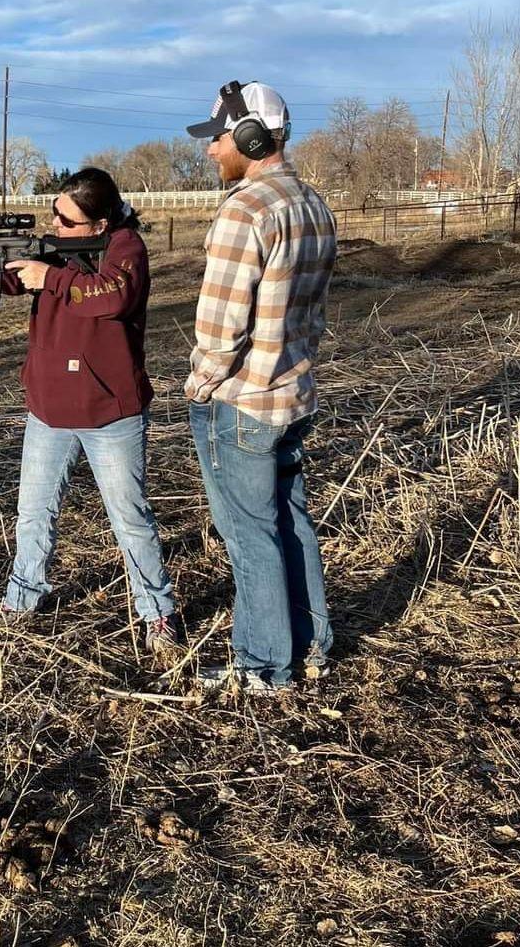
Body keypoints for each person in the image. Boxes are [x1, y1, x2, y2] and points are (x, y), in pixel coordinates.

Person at [0, 168, 179, 652]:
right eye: (54, 214)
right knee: (33, 514)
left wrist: (50, 276)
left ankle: (157, 613)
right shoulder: (51, 248)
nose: (54, 225)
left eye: (66, 221)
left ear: (100, 225)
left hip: (110, 412)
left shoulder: (125, 247)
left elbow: (113, 296)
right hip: (49, 408)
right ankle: (22, 599)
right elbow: (2, 282)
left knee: (130, 520)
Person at [183, 81, 336, 695]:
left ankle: (264, 665)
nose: (210, 150)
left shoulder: (246, 209)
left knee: (250, 535)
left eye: (217, 138)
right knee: (290, 521)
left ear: (249, 138)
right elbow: (312, 313)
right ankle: (312, 645)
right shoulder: (312, 203)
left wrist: (201, 385)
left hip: (244, 401)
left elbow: (221, 326)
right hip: (294, 394)